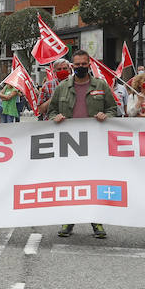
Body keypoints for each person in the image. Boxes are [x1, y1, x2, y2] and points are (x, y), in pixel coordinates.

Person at [38, 50, 115, 239]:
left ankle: (96, 221)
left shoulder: (101, 85)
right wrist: (54, 117)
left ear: (89, 65)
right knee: (70, 182)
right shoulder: (63, 87)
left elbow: (113, 109)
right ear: (73, 66)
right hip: (69, 144)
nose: (80, 67)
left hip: (94, 144)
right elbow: (51, 110)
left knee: (93, 182)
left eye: (84, 64)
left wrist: (107, 116)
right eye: (77, 64)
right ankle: (68, 220)